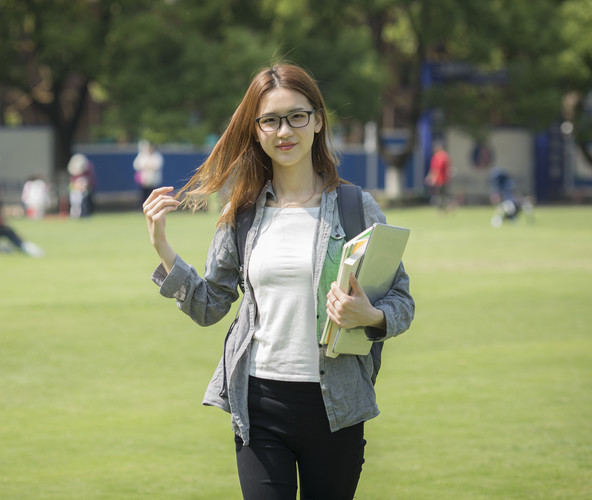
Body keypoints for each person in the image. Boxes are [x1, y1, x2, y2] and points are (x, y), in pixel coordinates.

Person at [142, 63, 415, 499]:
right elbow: (211, 304)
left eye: (296, 116)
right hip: (259, 403)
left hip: (337, 405)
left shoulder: (354, 207)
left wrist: (371, 315)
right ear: (256, 130)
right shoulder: (242, 213)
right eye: (270, 119)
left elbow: (402, 300)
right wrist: (164, 250)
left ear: (317, 120)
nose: (284, 130)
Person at [133, 140, 164, 205]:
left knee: (153, 194)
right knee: (144, 194)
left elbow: (157, 166)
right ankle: (142, 206)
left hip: (153, 179)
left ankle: (153, 206)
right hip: (144, 179)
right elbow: (136, 165)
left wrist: (149, 166)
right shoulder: (142, 155)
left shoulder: (156, 156)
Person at [425, 140, 452, 211]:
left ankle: (442, 208)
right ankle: (447, 207)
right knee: (444, 194)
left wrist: (432, 178)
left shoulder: (437, 157)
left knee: (438, 195)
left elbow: (435, 169)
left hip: (439, 179)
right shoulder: (445, 156)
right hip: (445, 179)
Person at [67, 153, 94, 218]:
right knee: (75, 206)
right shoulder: (74, 178)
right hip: (75, 194)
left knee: (83, 204)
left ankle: (84, 214)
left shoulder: (85, 176)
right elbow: (70, 187)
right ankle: (75, 216)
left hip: (81, 194)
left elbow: (87, 184)